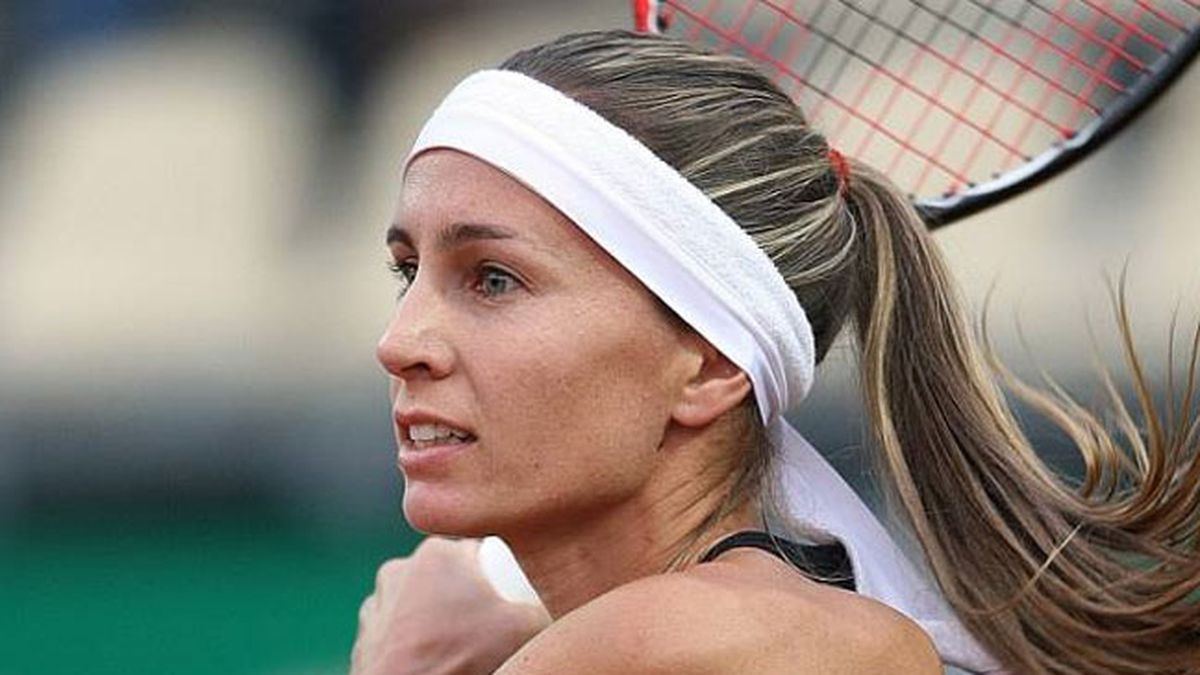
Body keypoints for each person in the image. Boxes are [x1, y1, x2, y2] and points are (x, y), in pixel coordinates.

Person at [352, 30, 1200, 675]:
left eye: (493, 279)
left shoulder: (675, 643)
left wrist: (401, 664)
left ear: (713, 363)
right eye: (407, 271)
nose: (402, 342)